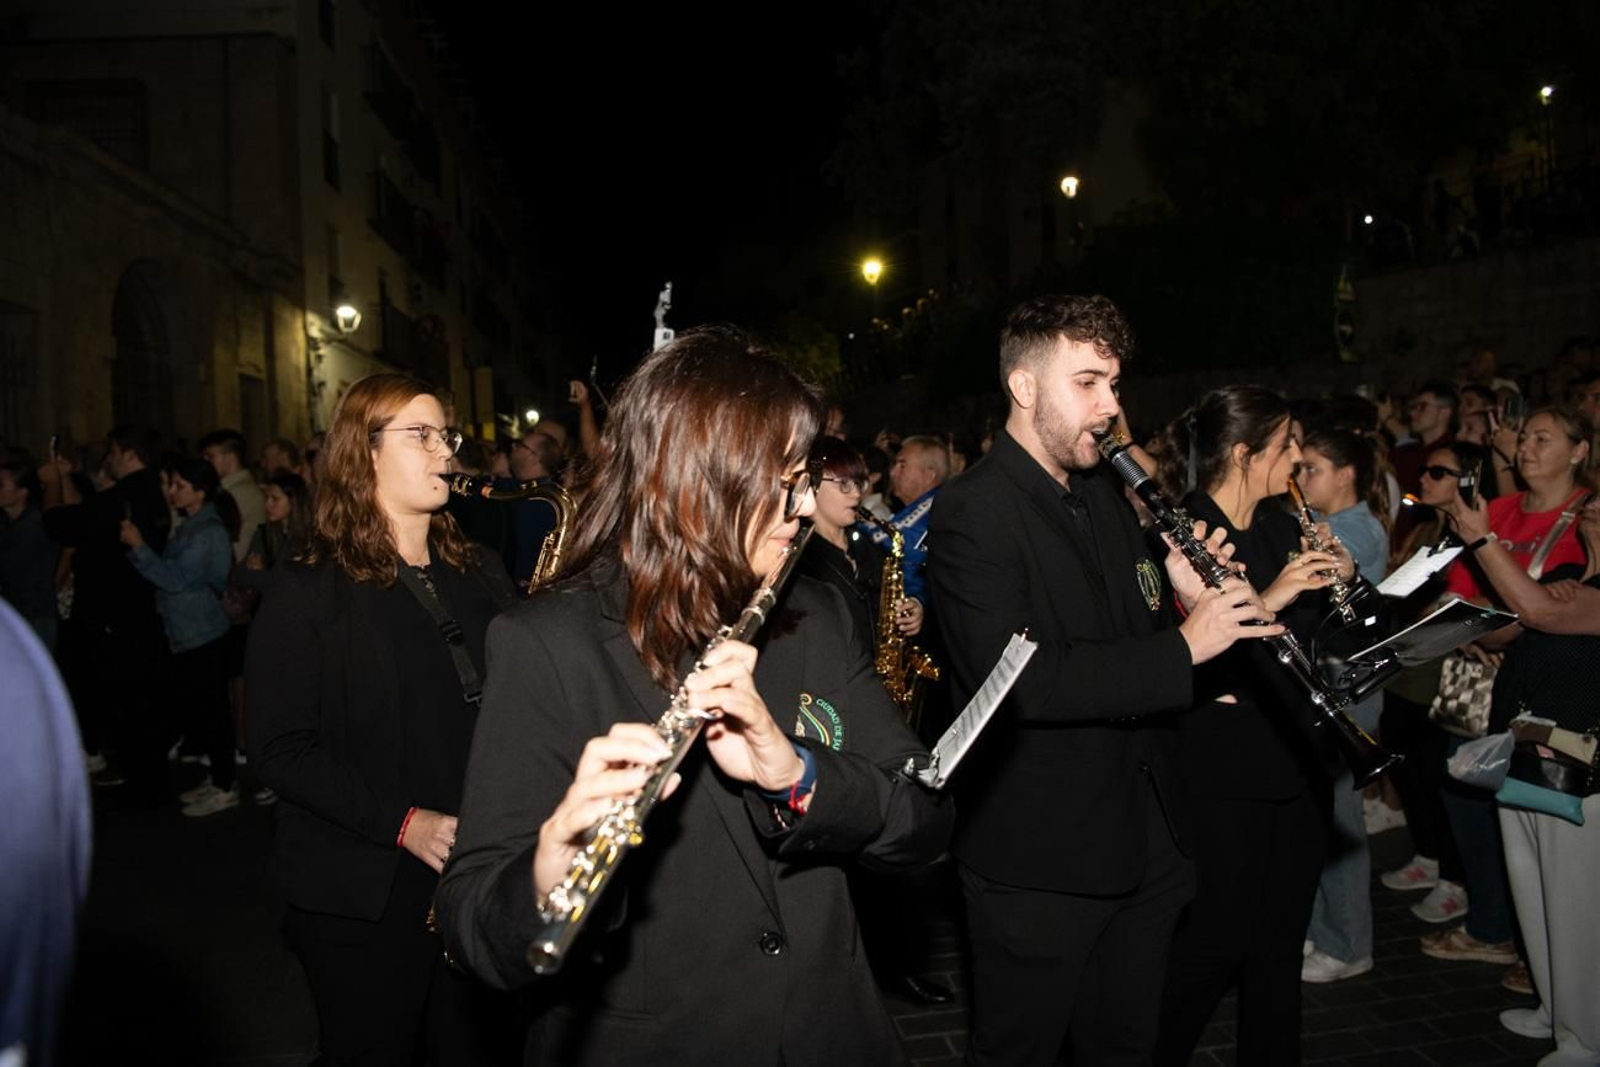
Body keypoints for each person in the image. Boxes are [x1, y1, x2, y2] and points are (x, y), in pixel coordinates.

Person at [435, 327, 952, 1065]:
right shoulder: (547, 642)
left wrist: (799, 775)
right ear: (695, 481)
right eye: (786, 481)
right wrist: (552, 867)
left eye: (807, 478)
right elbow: (471, 923)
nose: (805, 506)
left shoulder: (817, 615)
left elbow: (925, 815)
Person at [927, 296, 1284, 1067]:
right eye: (1087, 382)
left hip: (1146, 840)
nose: (1111, 406)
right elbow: (1021, 681)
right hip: (1041, 858)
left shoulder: (1103, 496)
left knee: (1124, 1048)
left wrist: (1184, 592)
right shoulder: (972, 510)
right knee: (1019, 1051)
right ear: (1023, 388)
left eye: (1114, 384)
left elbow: (1133, 635)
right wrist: (1185, 649)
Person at [245, 374, 520, 1065]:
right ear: (362, 452)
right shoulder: (308, 585)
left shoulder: (481, 568)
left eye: (446, 436)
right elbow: (278, 747)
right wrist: (404, 821)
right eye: (419, 434)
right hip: (361, 887)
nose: (444, 451)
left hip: (473, 872)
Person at [1154, 386, 1352, 1066]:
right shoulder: (1184, 529)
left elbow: (1313, 635)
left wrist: (1342, 583)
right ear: (1245, 453)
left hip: (1296, 751)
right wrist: (1277, 594)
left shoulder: (1279, 523)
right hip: (1223, 766)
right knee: (1215, 940)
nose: (1298, 459)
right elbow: (1179, 655)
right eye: (1288, 445)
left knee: (1279, 944)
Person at [1421, 407, 1590, 974]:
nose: (1527, 447)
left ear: (1580, 451)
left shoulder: (1581, 516)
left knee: (1553, 833)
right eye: (1525, 437)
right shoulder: (1501, 509)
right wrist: (1467, 625)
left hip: (1554, 694)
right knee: (1476, 801)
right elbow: (1468, 586)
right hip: (1493, 685)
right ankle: (1512, 938)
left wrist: (1490, 622)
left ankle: (1538, 958)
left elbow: (1540, 608)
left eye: (1545, 437)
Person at [1448, 489, 1600, 1067]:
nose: (1590, 506)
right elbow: (1500, 630)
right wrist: (1515, 604)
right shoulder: (1562, 574)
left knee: (1576, 903)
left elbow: (1537, 614)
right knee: (1533, 894)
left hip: (1582, 771)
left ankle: (1587, 1034)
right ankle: (1555, 1006)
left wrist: (1482, 539)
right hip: (1526, 755)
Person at [1377, 442, 1495, 935]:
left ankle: (1455, 878)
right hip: (1408, 665)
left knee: (1438, 774)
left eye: (1439, 472)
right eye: (1424, 470)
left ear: (1468, 481)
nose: (1424, 478)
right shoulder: (1428, 526)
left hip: (1445, 671)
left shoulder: (1482, 535)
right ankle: (1428, 854)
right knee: (1409, 769)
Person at [1293, 428, 1391, 983]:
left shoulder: (1358, 528)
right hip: (1334, 683)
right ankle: (1323, 927)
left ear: (1346, 473)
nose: (1303, 480)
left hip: (1351, 687)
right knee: (1325, 816)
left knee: (1340, 819)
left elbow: (1338, 565)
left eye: (1312, 469)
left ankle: (1350, 943)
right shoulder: (1343, 523)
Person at [39, 426, 172, 805]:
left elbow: (61, 525)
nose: (108, 459)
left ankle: (142, 785)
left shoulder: (125, 497)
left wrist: (50, 484)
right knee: (138, 700)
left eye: (112, 451)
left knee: (127, 702)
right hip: (135, 611)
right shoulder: (144, 493)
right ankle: (145, 778)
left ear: (129, 454)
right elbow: (87, 518)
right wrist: (65, 478)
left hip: (114, 617)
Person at [120, 458, 240, 816]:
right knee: (205, 709)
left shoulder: (207, 531)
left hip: (203, 632)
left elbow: (175, 579)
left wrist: (139, 546)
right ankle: (220, 778)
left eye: (179, 486)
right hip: (189, 632)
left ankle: (225, 784)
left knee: (215, 712)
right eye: (171, 485)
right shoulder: (192, 525)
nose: (172, 492)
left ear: (199, 492)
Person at [867, 434, 947, 606]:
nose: (892, 472)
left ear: (929, 475)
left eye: (902, 465)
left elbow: (892, 538)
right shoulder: (925, 505)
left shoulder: (931, 508)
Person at [0, 459, 59, 650]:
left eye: (1, 485)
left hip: (37, 614)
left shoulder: (36, 523)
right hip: (15, 613)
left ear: (22, 492)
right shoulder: (6, 523)